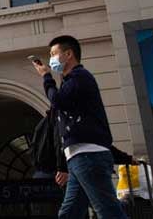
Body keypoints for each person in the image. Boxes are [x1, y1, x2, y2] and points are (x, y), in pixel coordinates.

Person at [33, 35, 125, 219]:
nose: (51, 59)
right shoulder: (71, 82)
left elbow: (57, 100)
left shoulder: (79, 77)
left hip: (87, 156)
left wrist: (46, 77)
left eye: (53, 54)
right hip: (78, 157)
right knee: (69, 213)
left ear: (68, 54)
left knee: (108, 211)